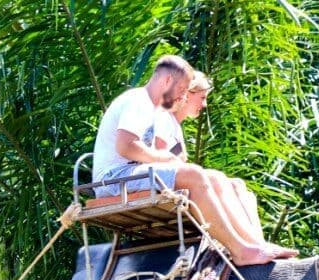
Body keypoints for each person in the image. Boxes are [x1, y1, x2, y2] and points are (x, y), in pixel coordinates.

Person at [91, 55, 296, 265]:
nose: (182, 98)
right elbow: (126, 146)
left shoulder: (149, 107)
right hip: (114, 179)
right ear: (167, 81)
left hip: (129, 175)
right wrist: (166, 158)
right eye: (182, 90)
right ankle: (240, 251)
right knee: (194, 174)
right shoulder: (138, 101)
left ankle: (254, 244)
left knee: (214, 178)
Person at [161, 71, 265, 240]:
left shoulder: (175, 127)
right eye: (202, 98)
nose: (204, 105)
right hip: (163, 181)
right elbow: (162, 160)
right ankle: (251, 242)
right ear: (187, 94)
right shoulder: (163, 118)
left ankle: (258, 240)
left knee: (238, 185)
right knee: (217, 179)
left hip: (178, 180)